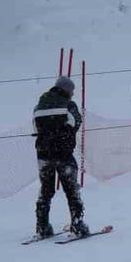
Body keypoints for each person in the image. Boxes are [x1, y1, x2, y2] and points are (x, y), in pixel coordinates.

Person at [33, 76, 87, 238]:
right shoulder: (69, 105)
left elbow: (36, 127)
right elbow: (77, 122)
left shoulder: (39, 106)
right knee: (72, 191)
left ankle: (42, 227)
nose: (72, 93)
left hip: (43, 154)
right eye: (71, 90)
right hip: (63, 154)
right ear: (65, 89)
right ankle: (77, 225)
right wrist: (64, 134)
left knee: (46, 190)